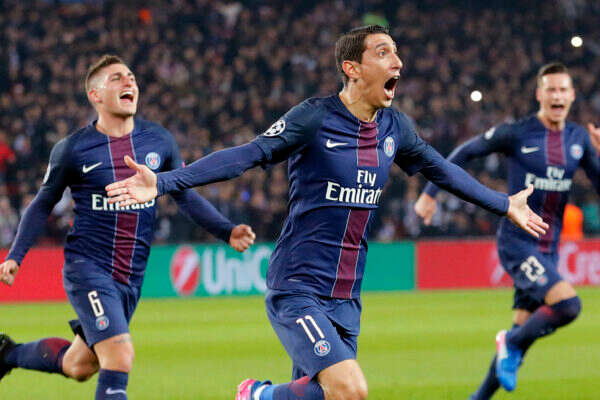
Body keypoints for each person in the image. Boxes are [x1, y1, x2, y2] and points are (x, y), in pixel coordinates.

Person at [105, 26, 548, 400]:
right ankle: (256, 395)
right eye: (383, 53)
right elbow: (248, 154)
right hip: (298, 286)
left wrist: (504, 203)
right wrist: (164, 181)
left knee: (322, 394)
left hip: (348, 294)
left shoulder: (395, 128)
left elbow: (443, 171)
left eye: (396, 52)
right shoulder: (314, 118)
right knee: (351, 389)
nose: (397, 62)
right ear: (352, 69)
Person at [0, 55, 256, 400]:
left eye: (131, 76)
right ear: (95, 95)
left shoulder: (159, 141)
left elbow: (184, 194)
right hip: (88, 268)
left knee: (80, 365)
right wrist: (16, 255)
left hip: (130, 276)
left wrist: (227, 230)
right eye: (117, 78)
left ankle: (7, 353)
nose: (129, 82)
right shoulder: (72, 149)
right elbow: (43, 203)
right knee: (119, 355)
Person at [414, 62, 600, 399]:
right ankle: (509, 341)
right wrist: (430, 193)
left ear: (572, 95)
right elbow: (466, 152)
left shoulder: (578, 139)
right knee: (568, 306)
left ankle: (480, 393)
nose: (557, 96)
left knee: (522, 334)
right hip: (517, 243)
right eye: (551, 89)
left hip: (549, 248)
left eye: (563, 90)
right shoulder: (517, 132)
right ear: (539, 94)